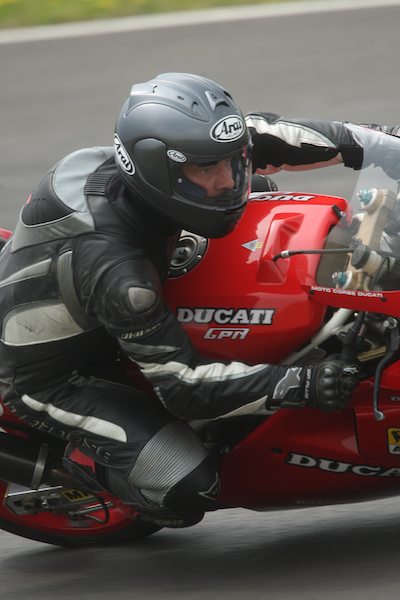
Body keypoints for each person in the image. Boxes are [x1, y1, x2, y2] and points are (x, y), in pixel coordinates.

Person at [1, 71, 387, 528]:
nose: (227, 181)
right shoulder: (121, 276)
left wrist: (383, 145)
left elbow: (278, 134)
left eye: (231, 162)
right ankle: (88, 464)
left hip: (105, 288)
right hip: (54, 375)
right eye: (206, 170)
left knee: (262, 197)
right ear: (156, 168)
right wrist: (302, 383)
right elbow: (185, 388)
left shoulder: (179, 159)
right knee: (185, 484)